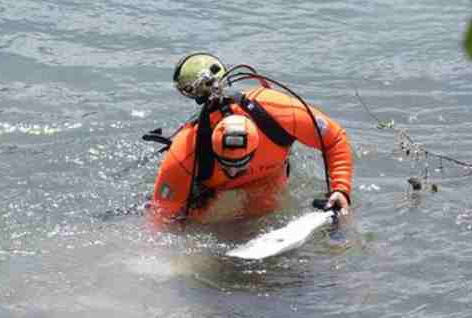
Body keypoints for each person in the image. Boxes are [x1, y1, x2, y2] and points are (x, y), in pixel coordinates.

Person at [146, 52, 353, 225]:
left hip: (269, 178)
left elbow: (334, 139)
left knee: (260, 216)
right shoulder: (184, 153)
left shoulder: (281, 113)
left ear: (257, 145)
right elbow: (161, 216)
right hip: (212, 188)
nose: (235, 171)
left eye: (241, 163)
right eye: (227, 165)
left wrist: (341, 190)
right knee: (193, 221)